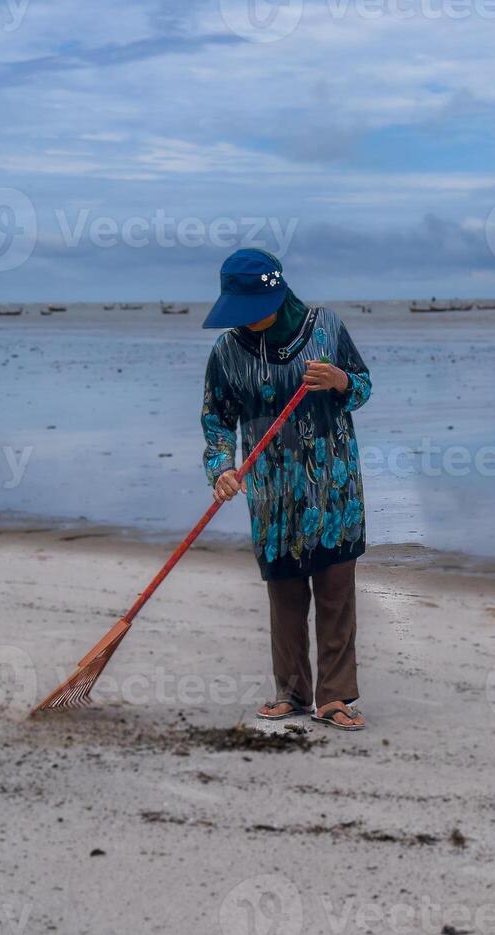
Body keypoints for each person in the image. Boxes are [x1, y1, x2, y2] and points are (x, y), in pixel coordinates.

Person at [200, 249, 372, 731]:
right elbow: (216, 420)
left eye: (252, 309)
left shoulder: (327, 328)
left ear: (275, 295)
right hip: (272, 497)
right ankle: (292, 693)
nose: (245, 320)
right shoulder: (227, 351)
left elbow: (363, 387)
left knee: (336, 595)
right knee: (285, 597)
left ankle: (335, 698)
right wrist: (221, 470)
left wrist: (339, 380)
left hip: (333, 492)